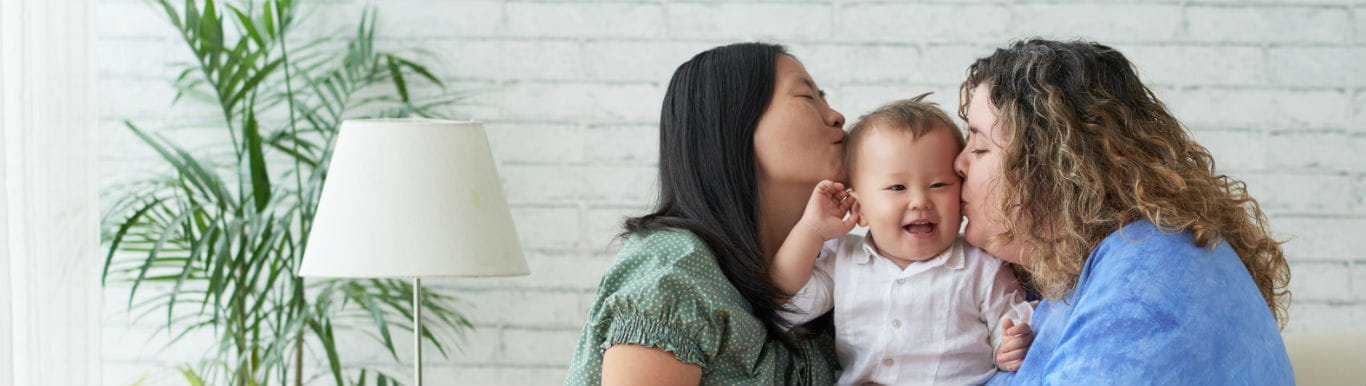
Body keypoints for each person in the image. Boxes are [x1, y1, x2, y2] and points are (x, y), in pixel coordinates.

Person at [952, 39, 1295, 385]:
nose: (957, 164)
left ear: (1052, 167)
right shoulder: (1088, 272)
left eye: (979, 147)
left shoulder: (1151, 276)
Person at [565, 42, 847, 385]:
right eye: (807, 98)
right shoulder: (675, 268)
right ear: (731, 122)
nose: (836, 116)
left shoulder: (830, 271)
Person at [772, 95, 1035, 385]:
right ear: (859, 208)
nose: (920, 201)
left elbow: (1011, 321)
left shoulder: (982, 265)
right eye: (897, 187)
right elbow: (787, 304)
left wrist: (1008, 344)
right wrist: (811, 229)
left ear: (961, 194)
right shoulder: (844, 259)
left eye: (938, 185)